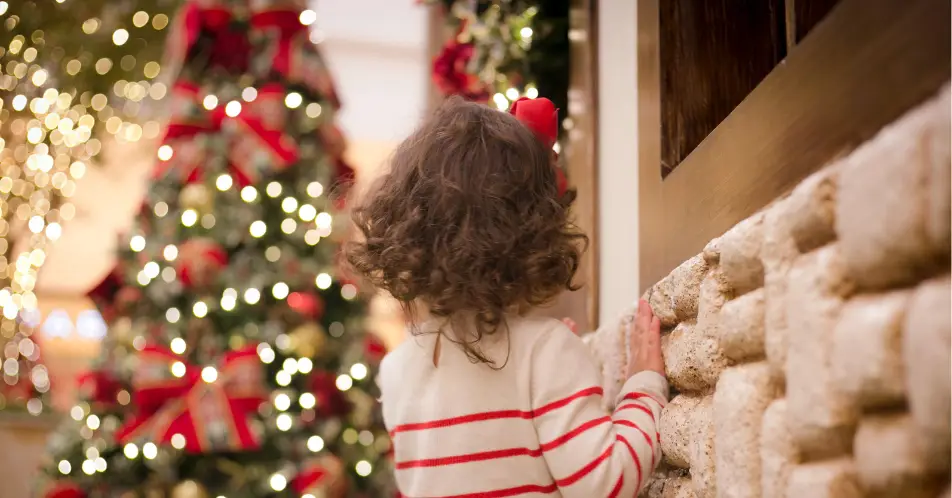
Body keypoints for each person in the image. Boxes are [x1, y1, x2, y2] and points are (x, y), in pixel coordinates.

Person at [346, 96, 668, 497]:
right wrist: (642, 386)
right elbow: (608, 483)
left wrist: (546, 367)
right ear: (534, 230)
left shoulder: (395, 371)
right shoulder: (544, 351)